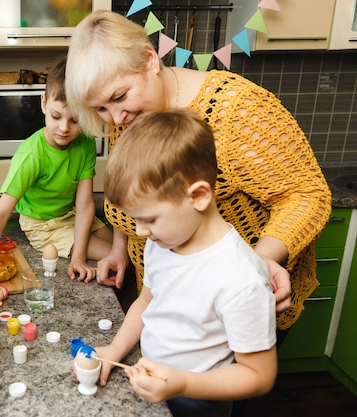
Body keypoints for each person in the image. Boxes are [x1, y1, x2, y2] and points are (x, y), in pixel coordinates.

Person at [65, 10, 331, 339]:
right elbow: (136, 198)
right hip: (168, 303)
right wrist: (120, 250)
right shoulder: (131, 116)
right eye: (101, 108)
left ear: (150, 59)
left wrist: (258, 263)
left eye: (119, 97)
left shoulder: (235, 110)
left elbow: (307, 195)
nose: (115, 117)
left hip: (233, 304)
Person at [94, 110, 277, 417]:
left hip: (199, 402)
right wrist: (114, 350)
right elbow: (147, 301)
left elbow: (259, 376)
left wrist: (181, 384)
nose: (139, 231)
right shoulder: (162, 242)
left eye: (148, 218)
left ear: (199, 196)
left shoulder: (240, 278)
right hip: (152, 382)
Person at [0, 58, 113, 291]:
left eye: (75, 120)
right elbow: (1, 211)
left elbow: (86, 202)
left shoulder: (85, 143)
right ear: (44, 103)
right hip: (43, 226)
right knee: (113, 255)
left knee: (122, 248)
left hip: (71, 214)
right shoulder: (32, 155)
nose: (64, 128)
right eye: (56, 116)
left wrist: (78, 255)